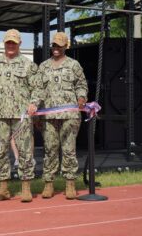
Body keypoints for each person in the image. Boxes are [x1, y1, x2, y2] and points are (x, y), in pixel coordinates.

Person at [0, 29, 43, 203]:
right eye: (8, 42)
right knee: (0, 152)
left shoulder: (29, 65)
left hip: (21, 116)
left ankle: (26, 187)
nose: (10, 46)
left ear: (19, 44)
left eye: (14, 43)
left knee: (25, 151)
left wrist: (34, 103)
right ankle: (3, 188)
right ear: (4, 43)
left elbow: (38, 88)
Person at [39, 32, 88, 199]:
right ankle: (48, 183)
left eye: (59, 45)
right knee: (50, 149)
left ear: (66, 46)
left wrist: (81, 97)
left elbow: (81, 84)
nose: (56, 48)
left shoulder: (74, 65)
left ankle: (70, 183)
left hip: (69, 115)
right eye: (54, 45)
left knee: (69, 149)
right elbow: (38, 90)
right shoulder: (43, 66)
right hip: (49, 116)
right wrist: (37, 116)